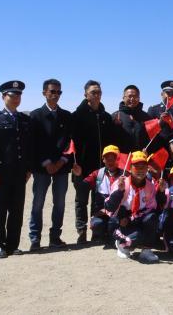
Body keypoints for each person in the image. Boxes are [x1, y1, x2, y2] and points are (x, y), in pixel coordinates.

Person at [0, 81, 33, 258]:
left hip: (19, 173)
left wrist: (29, 168)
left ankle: (12, 244)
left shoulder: (24, 120)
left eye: (19, 95)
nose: (16, 98)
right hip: (2, 173)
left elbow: (28, 147)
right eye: (12, 95)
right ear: (3, 96)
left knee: (16, 209)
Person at [28, 79, 73, 251]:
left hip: (62, 167)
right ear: (44, 93)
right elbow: (33, 143)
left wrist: (61, 161)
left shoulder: (67, 116)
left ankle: (55, 237)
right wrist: (47, 163)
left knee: (59, 203)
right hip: (41, 168)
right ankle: (35, 239)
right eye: (52, 91)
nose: (56, 95)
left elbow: (70, 142)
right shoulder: (35, 116)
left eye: (58, 92)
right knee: (38, 203)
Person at [71, 80, 115, 244]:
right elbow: (70, 143)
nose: (97, 95)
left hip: (101, 169)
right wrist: (73, 164)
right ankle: (81, 231)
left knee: (98, 202)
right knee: (81, 201)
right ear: (86, 95)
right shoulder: (76, 116)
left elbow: (111, 141)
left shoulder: (106, 117)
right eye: (93, 92)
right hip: (82, 168)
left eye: (99, 92)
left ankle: (97, 232)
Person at [105, 151, 163, 263]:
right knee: (137, 236)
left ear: (147, 169)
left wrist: (161, 193)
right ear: (130, 168)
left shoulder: (150, 186)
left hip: (136, 219)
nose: (140, 170)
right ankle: (121, 244)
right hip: (121, 222)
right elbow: (109, 208)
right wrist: (119, 191)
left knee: (151, 218)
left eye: (143, 167)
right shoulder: (121, 183)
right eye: (137, 167)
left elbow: (152, 209)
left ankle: (146, 251)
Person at [71, 145, 125, 245]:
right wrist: (78, 176)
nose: (110, 161)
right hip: (101, 214)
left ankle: (113, 235)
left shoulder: (125, 175)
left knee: (115, 224)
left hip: (118, 215)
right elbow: (82, 188)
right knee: (97, 224)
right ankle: (102, 235)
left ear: (118, 159)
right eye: (107, 158)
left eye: (113, 158)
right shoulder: (97, 174)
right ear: (103, 160)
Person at [147, 81, 173, 154]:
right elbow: (148, 131)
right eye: (168, 93)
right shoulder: (153, 110)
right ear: (162, 94)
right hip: (158, 150)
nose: (170, 96)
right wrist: (160, 122)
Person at [112, 85, 151, 153]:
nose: (132, 99)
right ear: (123, 98)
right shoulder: (114, 116)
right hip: (121, 157)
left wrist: (148, 151)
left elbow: (151, 139)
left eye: (135, 96)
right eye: (129, 96)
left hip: (140, 157)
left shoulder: (147, 117)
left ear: (139, 98)